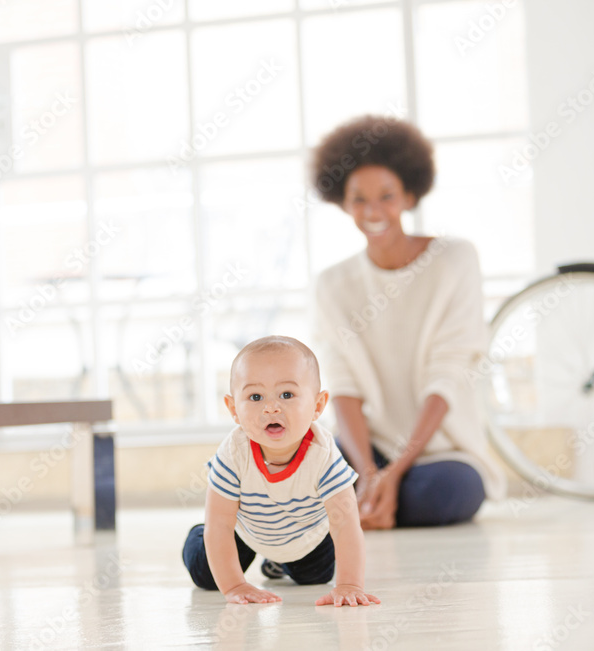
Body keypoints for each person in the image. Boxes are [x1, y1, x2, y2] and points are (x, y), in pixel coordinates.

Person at [311, 114, 506, 531]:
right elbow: (343, 388)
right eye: (359, 199)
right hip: (365, 449)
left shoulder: (454, 260)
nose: (373, 210)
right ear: (343, 203)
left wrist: (396, 471)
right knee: (309, 475)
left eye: (387, 196)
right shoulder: (332, 285)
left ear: (410, 196)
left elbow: (448, 374)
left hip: (441, 454)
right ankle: (369, 499)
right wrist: (367, 472)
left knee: (442, 492)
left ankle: (367, 505)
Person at [182, 335, 381, 607]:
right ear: (233, 410)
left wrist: (349, 585)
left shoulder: (323, 456)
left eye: (287, 395)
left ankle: (278, 562)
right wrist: (235, 586)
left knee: (315, 576)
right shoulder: (233, 453)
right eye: (255, 397)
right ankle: (199, 537)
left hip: (306, 536)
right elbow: (220, 524)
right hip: (246, 533)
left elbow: (345, 525)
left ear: (318, 405)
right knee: (206, 574)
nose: (271, 407)